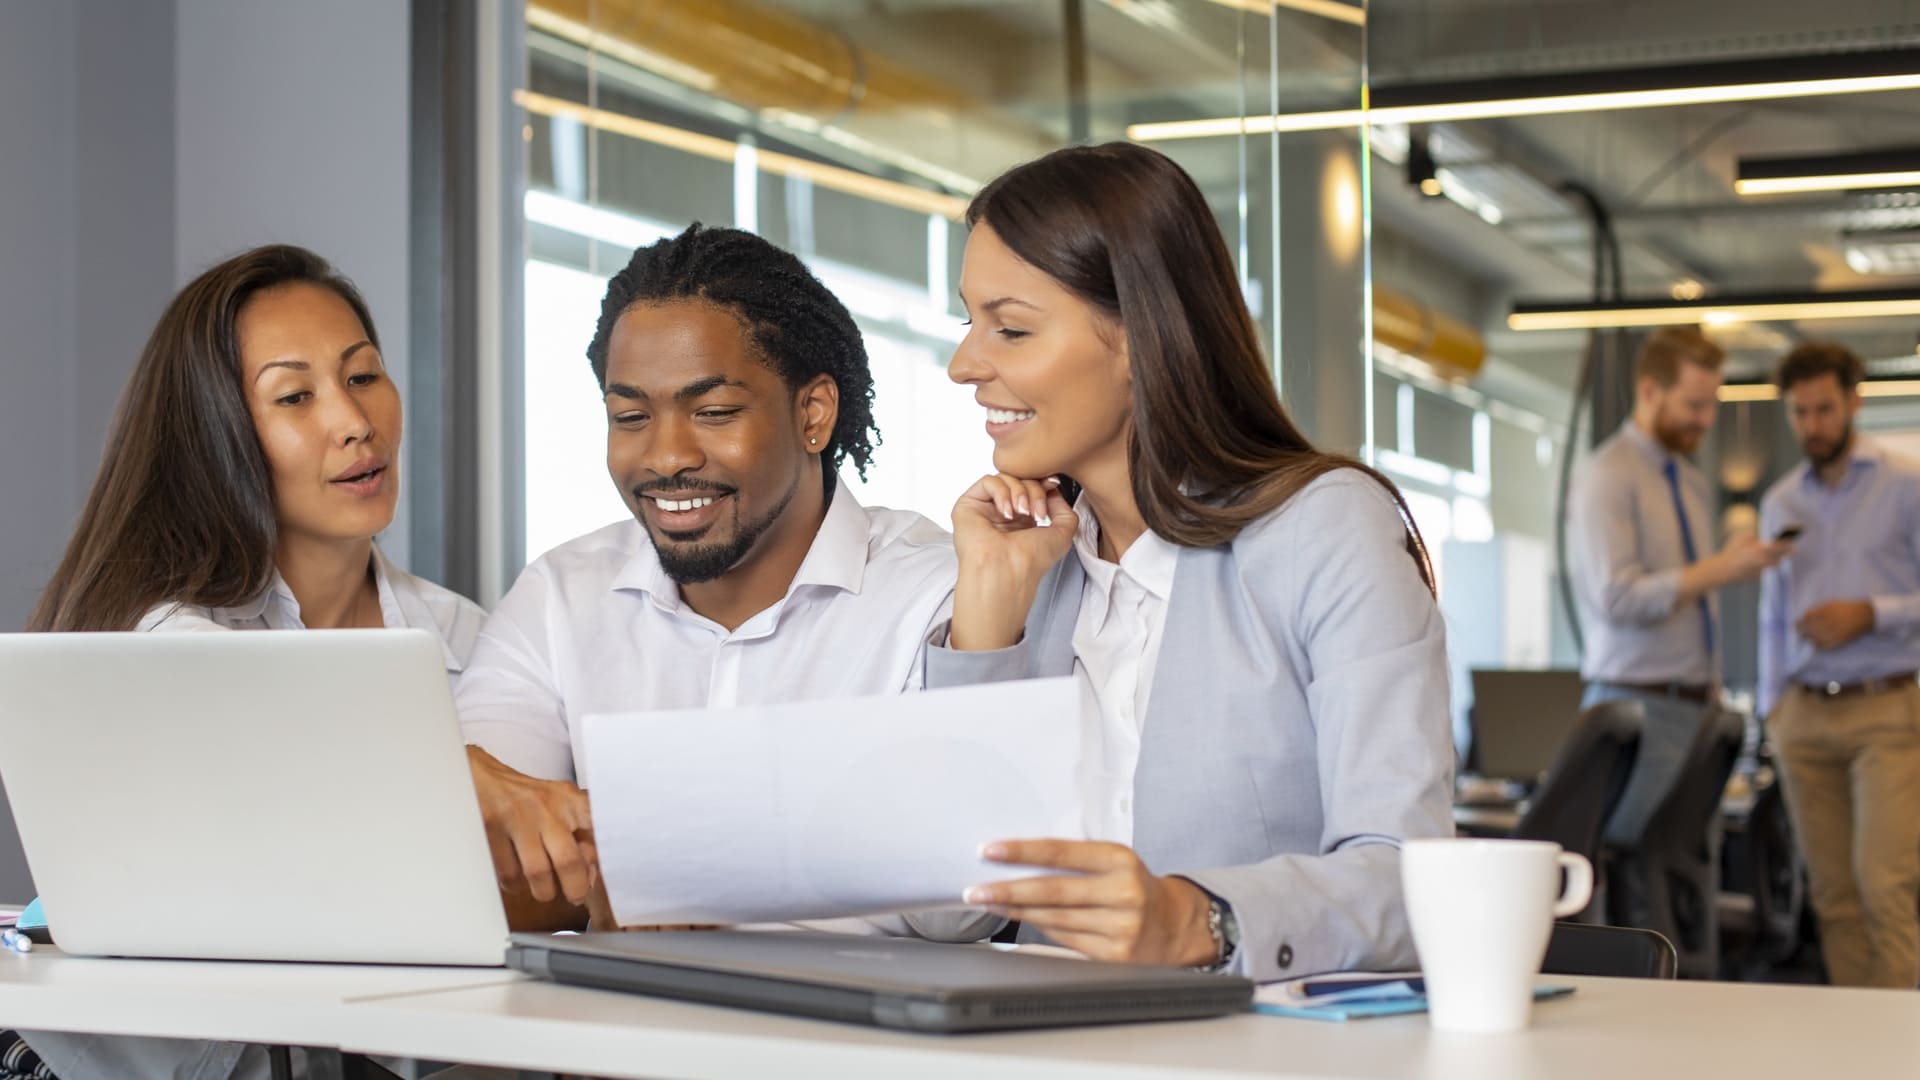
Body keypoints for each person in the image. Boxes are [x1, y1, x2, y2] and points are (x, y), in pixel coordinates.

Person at [920, 142, 1454, 983]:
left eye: (1011, 328)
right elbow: (944, 912)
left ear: (1138, 337)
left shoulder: (1324, 531)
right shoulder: (1029, 562)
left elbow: (1411, 876)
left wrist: (1198, 920)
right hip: (1034, 1050)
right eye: (970, 322)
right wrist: (984, 626)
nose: (964, 366)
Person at [18, 245, 483, 1078]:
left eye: (364, 376)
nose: (353, 422)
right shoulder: (169, 642)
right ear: (221, 437)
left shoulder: (469, 637)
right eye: (295, 396)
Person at [457, 224, 981, 940]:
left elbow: (962, 905)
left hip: (854, 1044)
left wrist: (637, 861)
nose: (667, 455)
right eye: (631, 417)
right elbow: (480, 849)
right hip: (622, 1041)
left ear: (813, 413)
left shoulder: (937, 592)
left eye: (714, 412)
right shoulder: (561, 595)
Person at [1567, 326, 1788, 845]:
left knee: (1690, 872)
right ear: (1649, 391)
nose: (1706, 420)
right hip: (1635, 706)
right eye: (1694, 404)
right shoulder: (1607, 474)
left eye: (1712, 404)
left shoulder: (1687, 479)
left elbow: (1688, 598)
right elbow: (1616, 598)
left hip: (1696, 707)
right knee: (1633, 872)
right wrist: (1722, 569)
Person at [1758, 342, 1920, 989]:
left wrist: (1871, 613)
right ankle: (1859, 1054)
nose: (1813, 426)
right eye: (1800, 413)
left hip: (1885, 707)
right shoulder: (1780, 502)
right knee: (1833, 898)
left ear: (1854, 401)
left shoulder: (1905, 486)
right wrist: (1773, 708)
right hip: (1803, 715)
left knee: (1884, 887)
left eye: (1825, 409)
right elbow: (1772, 614)